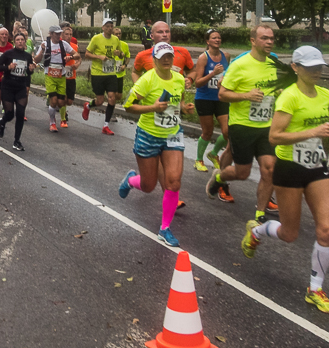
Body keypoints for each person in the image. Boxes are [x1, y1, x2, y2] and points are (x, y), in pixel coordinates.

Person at [241, 46, 329, 314]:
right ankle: (256, 232)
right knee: (289, 234)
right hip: (289, 167)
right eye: (310, 67)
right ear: (296, 68)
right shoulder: (288, 97)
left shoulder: (325, 94)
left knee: (327, 230)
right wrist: (314, 130)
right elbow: (275, 136)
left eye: (319, 66)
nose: (316, 71)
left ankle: (315, 289)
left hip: (316, 166)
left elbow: (319, 128)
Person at [117, 42, 195, 247]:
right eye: (162, 57)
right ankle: (131, 180)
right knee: (148, 185)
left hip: (173, 134)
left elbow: (178, 102)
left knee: (174, 181)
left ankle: (164, 229)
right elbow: (127, 105)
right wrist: (153, 107)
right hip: (148, 135)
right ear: (154, 59)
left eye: (170, 56)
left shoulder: (179, 79)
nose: (167, 60)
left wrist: (184, 108)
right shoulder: (146, 80)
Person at [209, 25, 280, 221]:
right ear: (253, 41)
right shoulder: (240, 64)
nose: (269, 42)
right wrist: (246, 95)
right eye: (264, 38)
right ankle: (219, 177)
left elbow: (274, 88)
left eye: (271, 38)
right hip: (242, 126)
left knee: (270, 168)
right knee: (242, 173)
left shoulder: (273, 62)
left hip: (266, 126)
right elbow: (222, 94)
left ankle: (260, 213)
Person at [193, 29, 231, 186]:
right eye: (214, 38)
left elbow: (229, 74)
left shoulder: (226, 56)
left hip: (221, 98)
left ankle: (214, 153)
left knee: (228, 131)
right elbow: (198, 82)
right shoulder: (203, 58)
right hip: (204, 99)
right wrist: (213, 73)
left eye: (219, 37)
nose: (217, 40)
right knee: (207, 132)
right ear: (207, 41)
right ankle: (198, 160)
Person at [81, 18, 123, 134]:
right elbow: (87, 54)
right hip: (98, 73)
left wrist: (119, 53)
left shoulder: (115, 39)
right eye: (107, 26)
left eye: (111, 26)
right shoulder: (96, 39)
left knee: (112, 98)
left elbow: (121, 54)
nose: (110, 28)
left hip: (111, 73)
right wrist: (99, 57)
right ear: (103, 28)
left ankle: (106, 125)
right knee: (100, 101)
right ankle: (88, 106)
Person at [34, 25, 79, 133]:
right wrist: (42, 51)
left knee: (61, 102)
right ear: (51, 34)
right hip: (49, 75)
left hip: (61, 76)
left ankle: (55, 115)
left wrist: (71, 57)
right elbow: (36, 59)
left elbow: (77, 55)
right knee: (53, 101)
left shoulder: (64, 44)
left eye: (59, 33)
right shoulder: (45, 44)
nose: (58, 35)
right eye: (56, 33)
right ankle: (52, 122)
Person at [0, 32, 34, 151]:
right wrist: (8, 68)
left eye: (22, 40)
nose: (20, 42)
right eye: (18, 40)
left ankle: (17, 141)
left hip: (21, 86)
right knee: (10, 113)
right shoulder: (8, 54)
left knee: (21, 114)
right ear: (14, 42)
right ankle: (2, 122)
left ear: (25, 42)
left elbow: (28, 72)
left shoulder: (27, 56)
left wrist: (31, 70)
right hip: (8, 86)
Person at [60, 23, 79, 128]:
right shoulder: (58, 45)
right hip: (61, 76)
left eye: (70, 34)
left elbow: (79, 58)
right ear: (62, 35)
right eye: (66, 34)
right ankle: (63, 119)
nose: (69, 36)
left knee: (70, 101)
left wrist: (77, 64)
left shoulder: (74, 46)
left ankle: (64, 110)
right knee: (63, 98)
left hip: (71, 75)